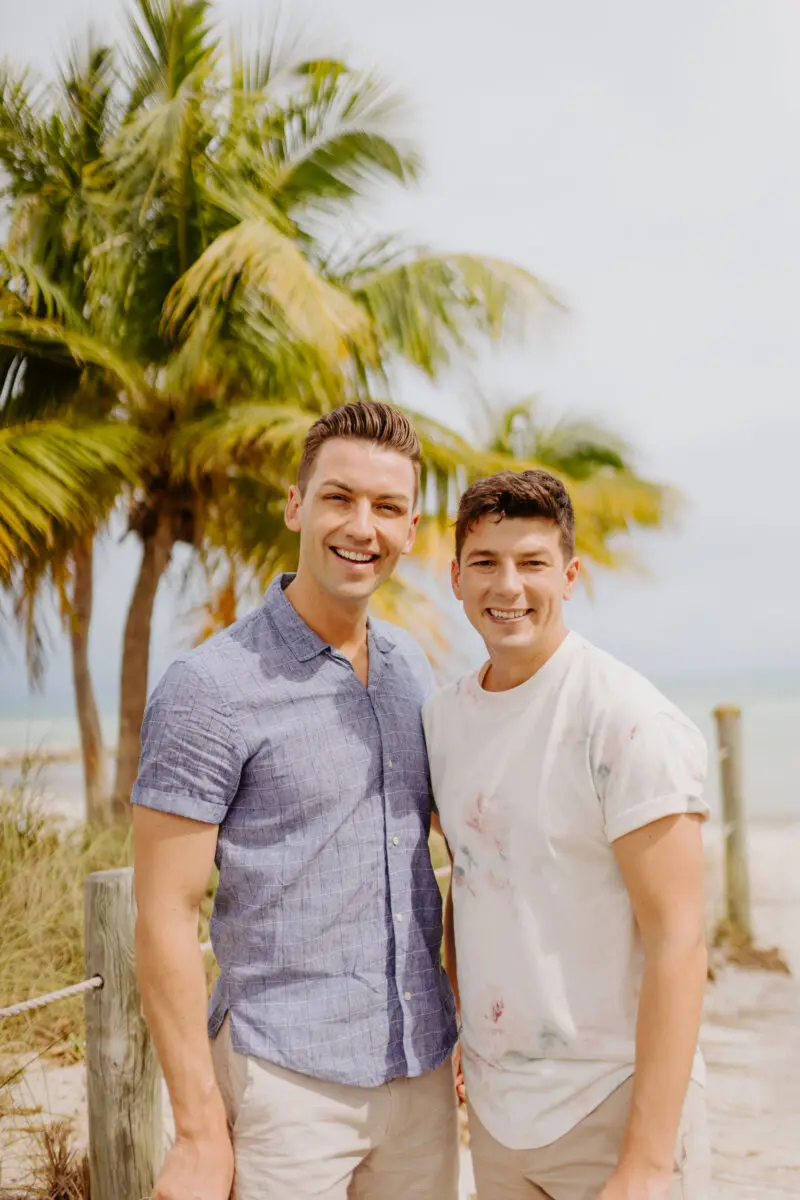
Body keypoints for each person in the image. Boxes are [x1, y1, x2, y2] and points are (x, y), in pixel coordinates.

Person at [132, 402, 459, 1200]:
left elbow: (461, 846)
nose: (361, 526)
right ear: (295, 506)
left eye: (386, 508)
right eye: (338, 498)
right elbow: (163, 917)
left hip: (420, 1077)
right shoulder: (210, 687)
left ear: (411, 528)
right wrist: (203, 1131)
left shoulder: (412, 667)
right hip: (285, 1083)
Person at [423, 469, 711, 1200]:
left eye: (532, 563)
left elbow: (680, 939)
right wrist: (463, 1020)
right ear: (455, 578)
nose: (508, 586)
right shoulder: (444, 721)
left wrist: (645, 1164)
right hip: (496, 1113)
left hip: (613, 1103)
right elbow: (473, 876)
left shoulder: (629, 722)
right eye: (485, 563)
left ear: (571, 575)